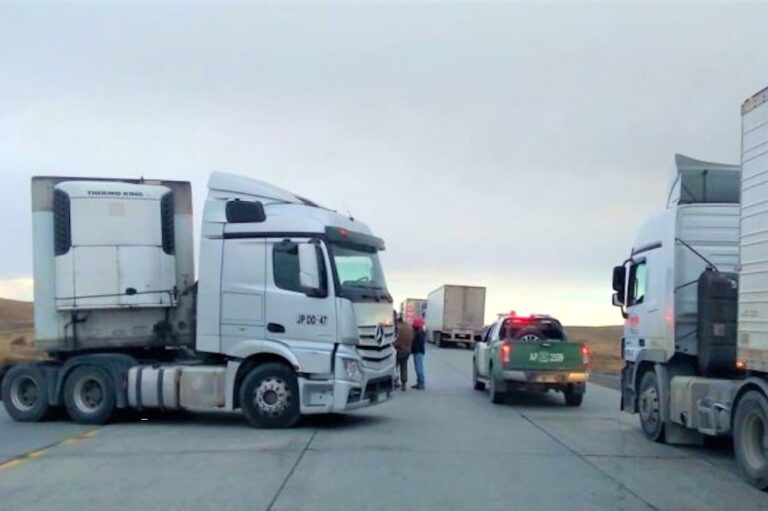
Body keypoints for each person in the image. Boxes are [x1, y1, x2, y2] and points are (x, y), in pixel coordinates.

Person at [393, 317, 413, 391]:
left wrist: (393, 344)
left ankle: (394, 381)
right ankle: (404, 383)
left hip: (400, 350)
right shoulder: (408, 327)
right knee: (404, 366)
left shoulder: (399, 328)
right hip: (407, 350)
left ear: (398, 322)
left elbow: (397, 340)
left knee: (394, 366)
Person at [411, 317, 426, 389]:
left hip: (418, 352)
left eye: (413, 325)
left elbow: (416, 343)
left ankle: (421, 383)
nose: (412, 326)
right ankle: (419, 383)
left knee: (419, 368)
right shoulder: (420, 332)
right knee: (417, 368)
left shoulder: (419, 333)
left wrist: (412, 348)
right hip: (418, 352)